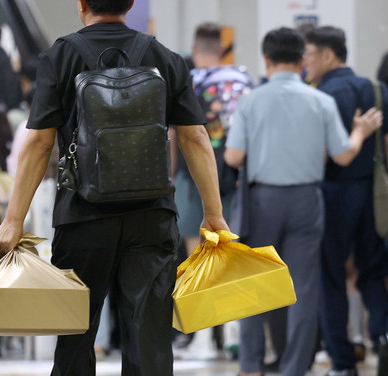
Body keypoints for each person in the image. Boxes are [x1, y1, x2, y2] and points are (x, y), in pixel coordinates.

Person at [0, 1, 229, 375]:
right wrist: (213, 214)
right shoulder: (164, 56)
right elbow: (195, 137)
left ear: (82, 3)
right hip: (152, 215)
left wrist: (12, 220)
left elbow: (38, 143)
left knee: (75, 337)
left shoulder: (61, 55)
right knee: (149, 341)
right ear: (131, 4)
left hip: (83, 215)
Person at [224, 27, 382, 376]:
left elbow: (234, 156)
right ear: (301, 61)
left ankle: (250, 367)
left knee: (252, 285)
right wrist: (359, 132)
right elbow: (342, 157)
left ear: (266, 60)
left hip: (261, 200)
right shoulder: (320, 100)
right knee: (303, 288)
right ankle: (295, 368)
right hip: (307, 199)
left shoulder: (251, 100)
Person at [304, 26, 388, 376]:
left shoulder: (317, 95)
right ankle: (386, 337)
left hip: (332, 193)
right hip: (372, 193)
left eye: (309, 55)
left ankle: (343, 362)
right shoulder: (374, 88)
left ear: (327, 55)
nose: (305, 62)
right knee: (373, 271)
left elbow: (317, 152)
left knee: (331, 276)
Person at [172, 22, 254, 361]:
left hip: (193, 179)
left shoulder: (189, 82)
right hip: (235, 177)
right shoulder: (245, 81)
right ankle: (235, 336)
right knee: (230, 255)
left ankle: (203, 337)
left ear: (195, 50)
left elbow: (178, 134)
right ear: (221, 50)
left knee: (197, 257)